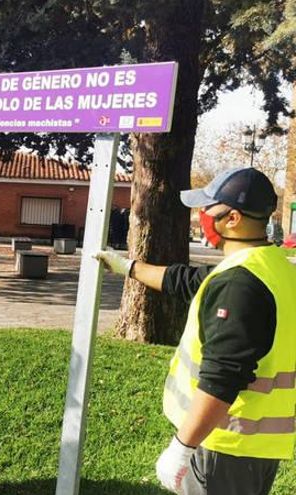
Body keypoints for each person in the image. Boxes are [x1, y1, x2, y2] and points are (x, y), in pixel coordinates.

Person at [96, 167, 296, 495]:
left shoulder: (239, 285)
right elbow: (186, 280)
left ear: (232, 218)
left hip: (223, 445)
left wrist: (182, 447)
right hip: (253, 448)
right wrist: (127, 267)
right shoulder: (272, 267)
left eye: (208, 209)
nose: (202, 216)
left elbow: (223, 378)